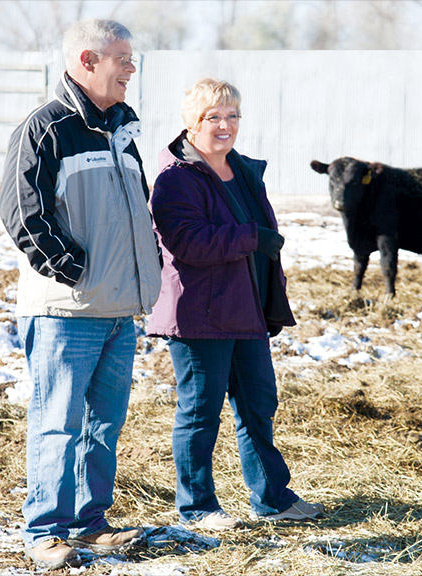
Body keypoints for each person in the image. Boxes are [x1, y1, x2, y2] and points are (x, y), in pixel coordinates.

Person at [0, 19, 162, 571]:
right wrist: (75, 272)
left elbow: (135, 214)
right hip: (66, 311)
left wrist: (145, 273)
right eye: (123, 58)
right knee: (58, 423)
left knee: (102, 427)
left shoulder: (121, 131)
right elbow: (23, 213)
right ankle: (45, 532)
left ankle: (91, 525)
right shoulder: (46, 129)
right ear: (88, 61)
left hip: (119, 310)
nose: (131, 68)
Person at [146, 78, 324, 531]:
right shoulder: (177, 178)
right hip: (199, 315)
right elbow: (186, 242)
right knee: (200, 411)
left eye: (232, 116)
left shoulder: (241, 169)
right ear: (191, 122)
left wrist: (270, 297)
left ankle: (272, 499)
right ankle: (198, 507)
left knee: (257, 405)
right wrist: (250, 238)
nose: (224, 126)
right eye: (213, 117)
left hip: (245, 310)